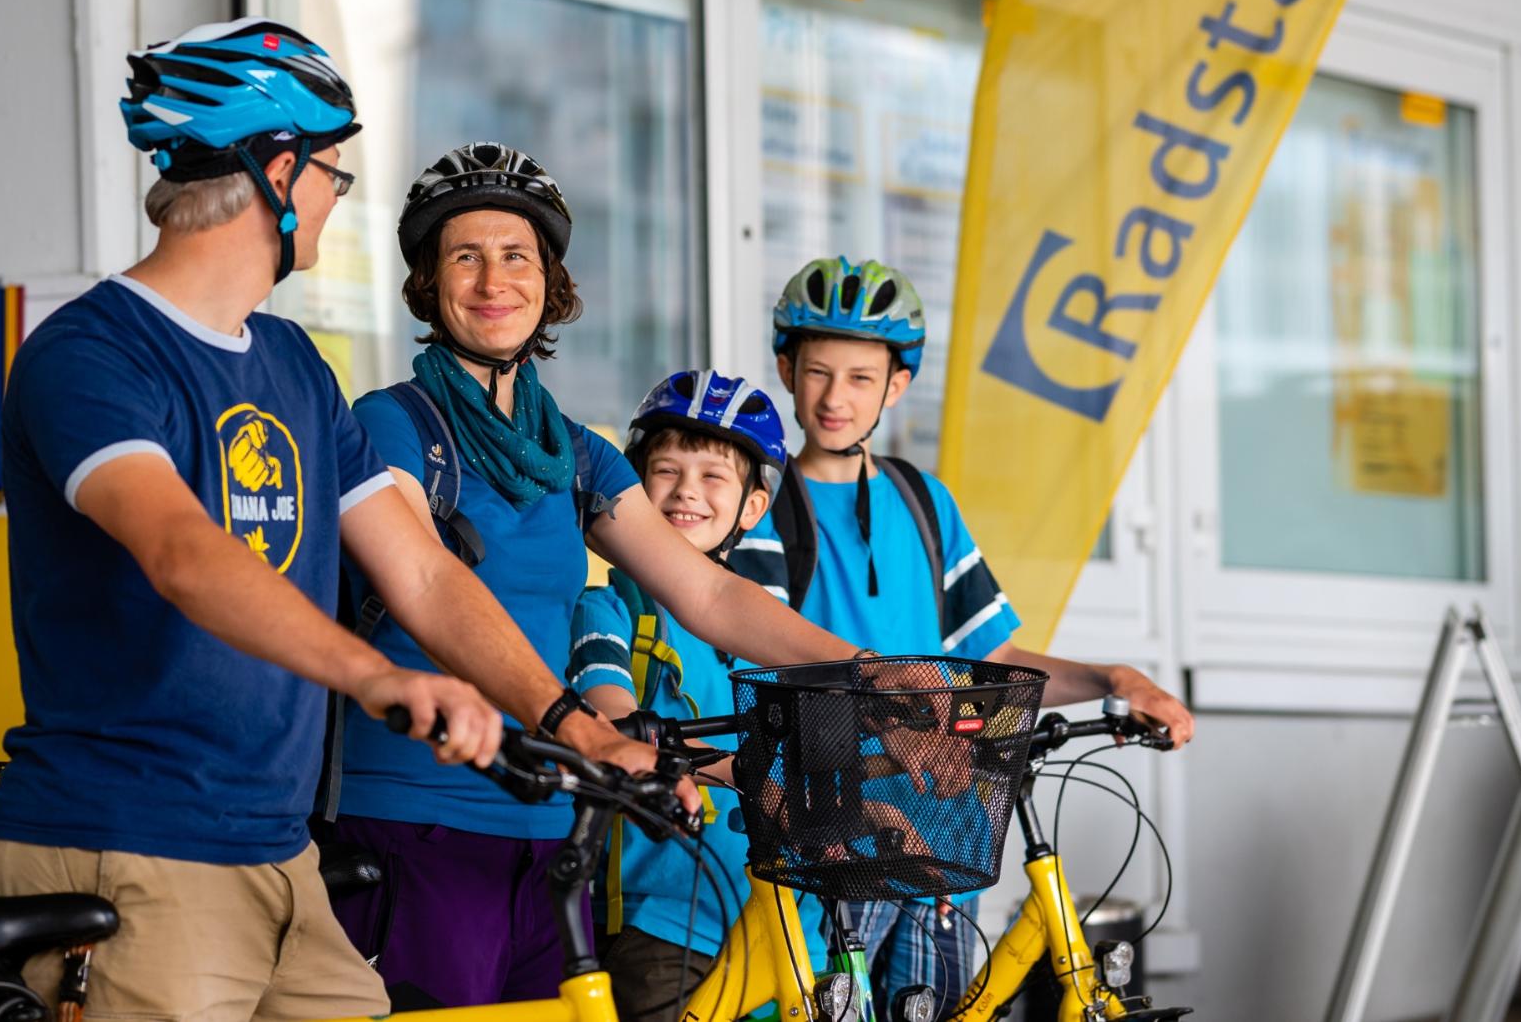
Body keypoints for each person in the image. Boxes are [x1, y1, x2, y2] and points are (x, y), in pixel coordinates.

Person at [0, 24, 662, 1022]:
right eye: (333, 178)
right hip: (133, 839)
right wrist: (377, 673)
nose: (333, 204)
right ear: (279, 169)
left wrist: (563, 722)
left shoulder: (294, 364)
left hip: (274, 847)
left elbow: (423, 576)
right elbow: (181, 552)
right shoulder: (91, 351)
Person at [324, 143, 865, 1009]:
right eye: (465, 256)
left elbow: (708, 590)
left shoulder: (574, 452)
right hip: (419, 822)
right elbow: (423, 579)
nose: (492, 279)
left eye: (517, 256)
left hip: (553, 833)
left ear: (550, 282)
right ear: (430, 281)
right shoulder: (393, 425)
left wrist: (865, 674)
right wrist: (580, 724)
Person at [736, 257, 1198, 1015]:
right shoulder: (766, 503)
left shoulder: (924, 501)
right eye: (817, 371)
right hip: (834, 833)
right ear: (786, 369)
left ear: (897, 385)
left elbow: (997, 657)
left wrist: (1118, 678)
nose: (834, 396)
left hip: (944, 828)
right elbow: (754, 650)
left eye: (860, 376)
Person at [568, 369, 828, 1022]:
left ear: (752, 507)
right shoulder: (613, 607)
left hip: (788, 916)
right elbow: (612, 715)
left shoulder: (764, 629)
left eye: (713, 475)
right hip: (667, 925)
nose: (687, 490)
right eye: (665, 470)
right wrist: (746, 771)